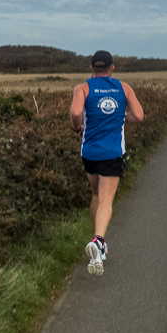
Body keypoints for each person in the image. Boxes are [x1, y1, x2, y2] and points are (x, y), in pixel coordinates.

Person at [69, 50, 144, 275]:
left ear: (91, 68)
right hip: (112, 153)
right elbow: (139, 116)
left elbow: (75, 112)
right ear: (112, 68)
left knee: (95, 195)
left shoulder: (82, 88)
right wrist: (122, 116)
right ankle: (99, 241)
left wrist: (78, 128)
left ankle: (97, 246)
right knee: (106, 200)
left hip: (89, 152)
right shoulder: (124, 88)